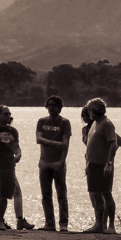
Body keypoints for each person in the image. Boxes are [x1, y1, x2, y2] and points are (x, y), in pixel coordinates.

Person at [81, 104, 121, 232]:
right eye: (84, 115)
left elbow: (116, 142)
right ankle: (99, 225)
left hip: (102, 164)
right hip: (92, 164)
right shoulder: (93, 125)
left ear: (94, 111)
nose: (87, 116)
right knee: (96, 195)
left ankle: (110, 226)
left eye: (88, 112)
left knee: (106, 194)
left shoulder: (106, 124)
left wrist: (109, 162)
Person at [35, 95, 71, 232]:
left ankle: (63, 224)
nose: (51, 107)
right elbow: (38, 139)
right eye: (49, 105)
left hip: (58, 163)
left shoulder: (64, 123)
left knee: (61, 195)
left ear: (59, 107)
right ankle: (49, 223)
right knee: (46, 195)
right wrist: (56, 143)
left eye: (54, 105)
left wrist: (61, 162)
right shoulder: (41, 121)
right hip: (44, 162)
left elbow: (66, 144)